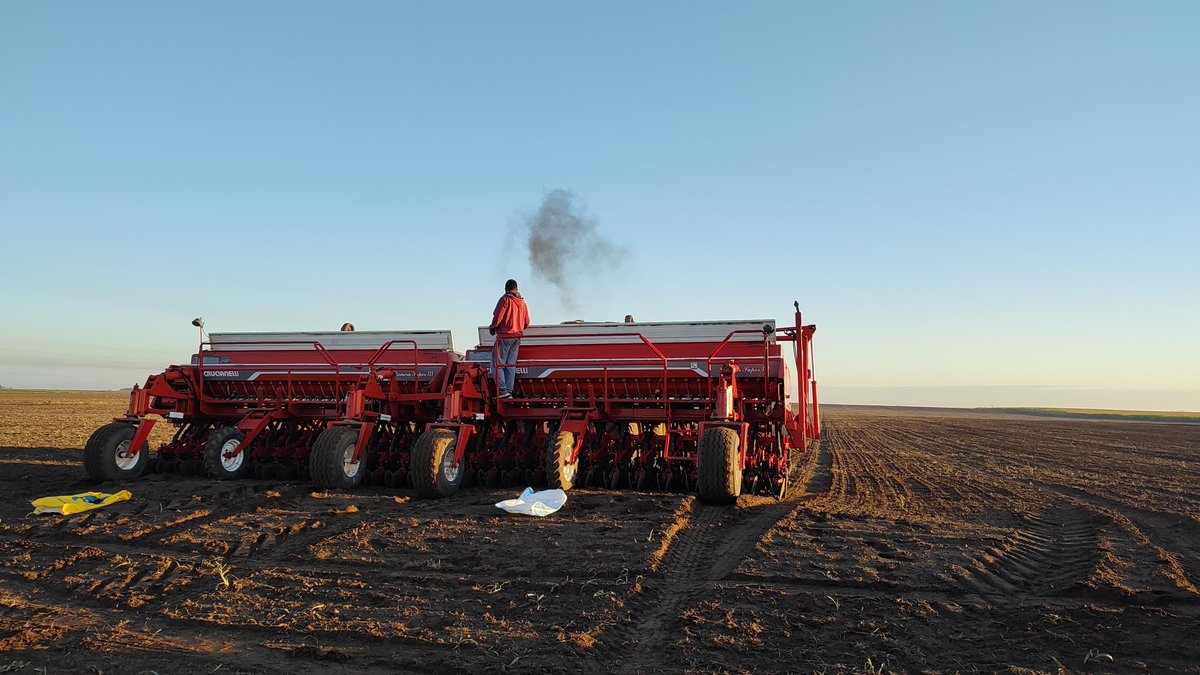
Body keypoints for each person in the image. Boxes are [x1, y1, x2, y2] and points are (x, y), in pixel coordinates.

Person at [489, 279, 530, 399]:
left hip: (505, 336)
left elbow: (497, 317)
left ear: (506, 289)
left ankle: (502, 391)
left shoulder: (505, 300)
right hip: (517, 338)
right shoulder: (523, 303)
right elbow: (527, 322)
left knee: (497, 364)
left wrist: (492, 328)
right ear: (516, 289)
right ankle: (509, 391)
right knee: (510, 365)